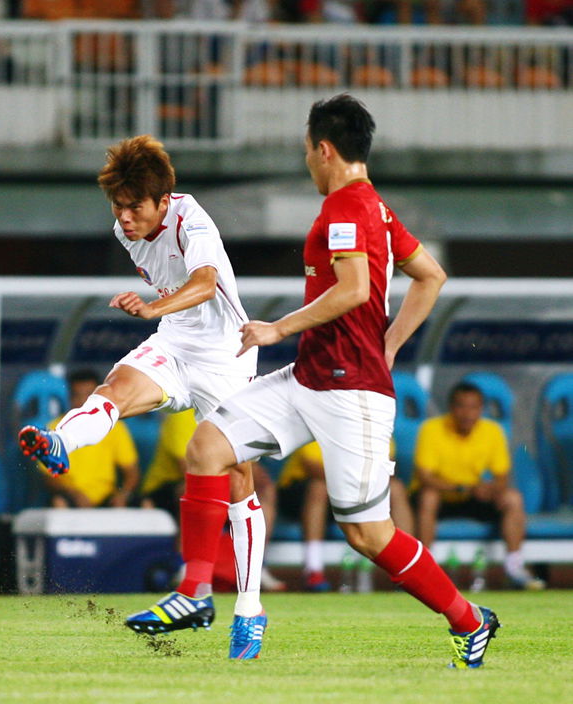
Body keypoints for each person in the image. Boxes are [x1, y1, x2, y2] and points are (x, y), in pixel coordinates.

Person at [135, 94, 498, 669]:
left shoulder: (348, 209)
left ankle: (470, 620)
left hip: (352, 394)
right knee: (207, 446)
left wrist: (280, 327)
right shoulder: (374, 206)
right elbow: (430, 275)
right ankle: (196, 592)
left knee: (369, 536)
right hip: (310, 380)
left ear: (324, 149)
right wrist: (391, 342)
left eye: (307, 150)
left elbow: (355, 289)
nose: (307, 161)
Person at [19, 134, 268, 644]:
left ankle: (249, 609)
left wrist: (153, 307)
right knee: (115, 388)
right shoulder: (125, 230)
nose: (126, 217)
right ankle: (61, 442)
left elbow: (203, 282)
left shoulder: (191, 219)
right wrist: (160, 317)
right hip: (176, 343)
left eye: (135, 207)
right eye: (119, 206)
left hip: (227, 355)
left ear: (162, 201)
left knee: (239, 479)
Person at [413, 381, 545, 590]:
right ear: (451, 408)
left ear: (481, 409)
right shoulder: (432, 429)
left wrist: (490, 489)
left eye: (473, 407)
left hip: (474, 497)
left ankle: (514, 567)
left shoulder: (492, 431)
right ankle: (425, 570)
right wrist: (461, 488)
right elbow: (425, 477)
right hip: (442, 498)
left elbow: (502, 477)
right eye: (461, 406)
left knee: (513, 498)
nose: (467, 413)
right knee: (429, 495)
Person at [140, 408, 286, 592]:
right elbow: (187, 465)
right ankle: (185, 566)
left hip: (221, 481)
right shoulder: (182, 415)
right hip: (166, 488)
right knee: (194, 485)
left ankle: (256, 564)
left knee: (264, 488)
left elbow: (249, 466)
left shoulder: (232, 411)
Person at [277, 440, 415, 591]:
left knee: (396, 488)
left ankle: (407, 568)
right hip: (302, 494)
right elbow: (314, 467)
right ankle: (313, 569)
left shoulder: (373, 421)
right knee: (319, 488)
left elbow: (387, 466)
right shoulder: (320, 418)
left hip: (355, 490)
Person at [41, 369, 141, 508]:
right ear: (69, 398)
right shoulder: (53, 429)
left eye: (88, 396)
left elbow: (131, 472)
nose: (82, 402)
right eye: (77, 396)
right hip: (70, 495)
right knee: (59, 503)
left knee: (130, 505)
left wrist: (123, 494)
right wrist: (74, 494)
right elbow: (48, 478)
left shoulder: (115, 427)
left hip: (106, 496)